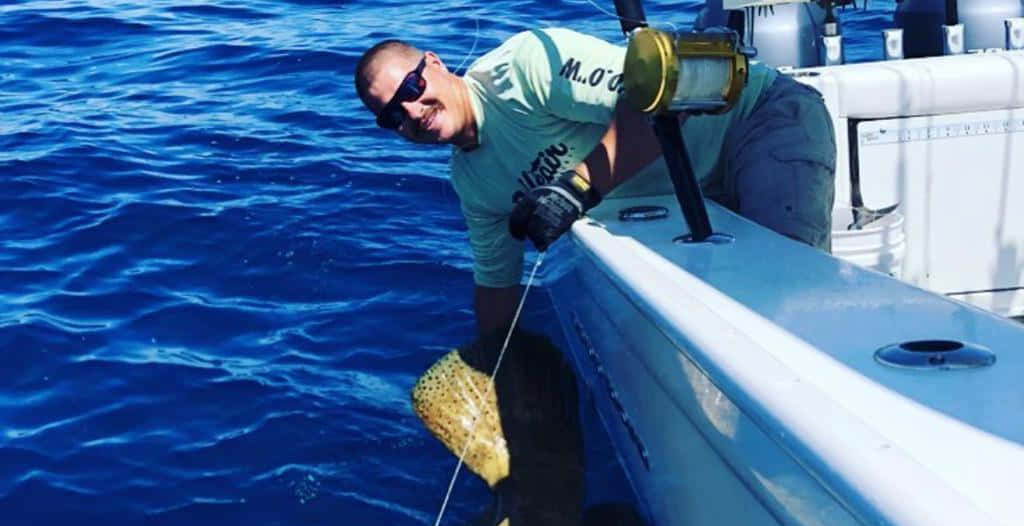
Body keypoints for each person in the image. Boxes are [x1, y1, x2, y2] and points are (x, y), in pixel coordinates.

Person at [354, 27, 835, 344]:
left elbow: (664, 101)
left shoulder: (523, 69)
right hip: (694, 196)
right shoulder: (474, 183)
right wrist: (496, 370)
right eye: (393, 116)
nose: (413, 113)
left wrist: (576, 188)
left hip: (755, 121)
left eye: (412, 89)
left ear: (434, 64)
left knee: (783, 309)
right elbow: (496, 288)